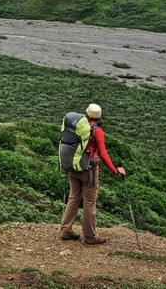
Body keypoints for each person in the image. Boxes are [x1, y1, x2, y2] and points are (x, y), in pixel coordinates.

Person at [59, 103, 126, 244]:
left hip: (73, 166)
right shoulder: (97, 131)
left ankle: (66, 230)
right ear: (99, 117)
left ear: (86, 113)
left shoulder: (77, 126)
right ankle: (90, 236)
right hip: (89, 170)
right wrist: (115, 171)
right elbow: (103, 153)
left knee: (73, 198)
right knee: (89, 202)